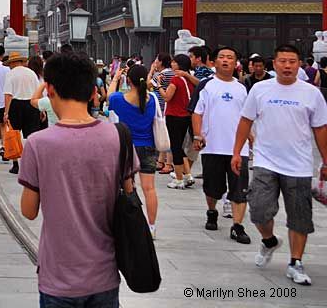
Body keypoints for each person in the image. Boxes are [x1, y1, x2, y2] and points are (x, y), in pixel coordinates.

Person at [19, 52, 136, 307]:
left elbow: (28, 211)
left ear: (50, 89)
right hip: (104, 274)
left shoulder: (38, 143)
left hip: (58, 276)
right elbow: (129, 196)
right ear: (93, 92)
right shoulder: (118, 137)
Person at [233, 44, 327, 285]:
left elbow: (320, 129)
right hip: (266, 160)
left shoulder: (311, 93)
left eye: (292, 62)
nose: (287, 66)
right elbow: (245, 121)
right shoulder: (260, 90)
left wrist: (326, 160)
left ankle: (296, 262)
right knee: (259, 209)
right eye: (282, 61)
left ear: (299, 65)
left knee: (299, 216)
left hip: (299, 164)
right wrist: (237, 152)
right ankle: (269, 241)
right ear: (274, 64)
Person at [192, 46, 252, 244]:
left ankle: (237, 226)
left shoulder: (242, 88)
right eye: (222, 57)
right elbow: (197, 112)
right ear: (214, 62)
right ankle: (212, 211)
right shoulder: (206, 85)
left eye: (230, 57)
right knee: (212, 187)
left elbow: (247, 116)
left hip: (238, 149)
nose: (226, 60)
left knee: (239, 189)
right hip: (213, 145)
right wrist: (198, 135)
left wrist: (252, 137)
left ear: (236, 63)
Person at [107, 63, 159, 238]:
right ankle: (151, 227)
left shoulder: (119, 99)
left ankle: (129, 224)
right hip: (148, 146)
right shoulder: (152, 99)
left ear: (128, 80)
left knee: (126, 187)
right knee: (149, 188)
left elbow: (109, 97)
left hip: (126, 147)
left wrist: (115, 78)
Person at [2, 52, 40, 175]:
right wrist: (40, 108)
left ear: (12, 63)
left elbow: (8, 95)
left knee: (14, 135)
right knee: (31, 135)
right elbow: (38, 92)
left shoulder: (10, 74)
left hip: (16, 105)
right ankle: (32, 163)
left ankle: (16, 164)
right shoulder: (31, 73)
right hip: (32, 104)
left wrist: (6, 112)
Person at [162, 54, 196, 189]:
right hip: (186, 116)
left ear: (179, 64)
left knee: (175, 148)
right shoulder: (189, 79)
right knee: (179, 146)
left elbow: (167, 97)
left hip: (174, 116)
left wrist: (158, 87)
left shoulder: (176, 79)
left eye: (174, 62)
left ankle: (179, 179)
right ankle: (187, 175)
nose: (172, 64)